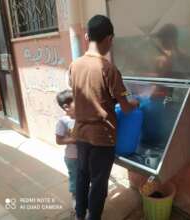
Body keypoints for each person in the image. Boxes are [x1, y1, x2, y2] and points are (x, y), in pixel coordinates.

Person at [68, 15, 139, 220]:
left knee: (82, 176)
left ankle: (79, 215)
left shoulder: (74, 65)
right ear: (109, 39)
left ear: (87, 36)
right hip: (102, 137)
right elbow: (126, 107)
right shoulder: (109, 69)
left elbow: (85, 95)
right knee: (99, 182)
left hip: (80, 134)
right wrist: (136, 103)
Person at [55, 89, 77, 211]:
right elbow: (58, 141)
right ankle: (75, 199)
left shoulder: (82, 117)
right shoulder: (63, 121)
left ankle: (83, 195)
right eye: (77, 102)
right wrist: (73, 140)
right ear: (66, 107)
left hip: (84, 156)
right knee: (75, 178)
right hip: (72, 157)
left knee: (84, 178)